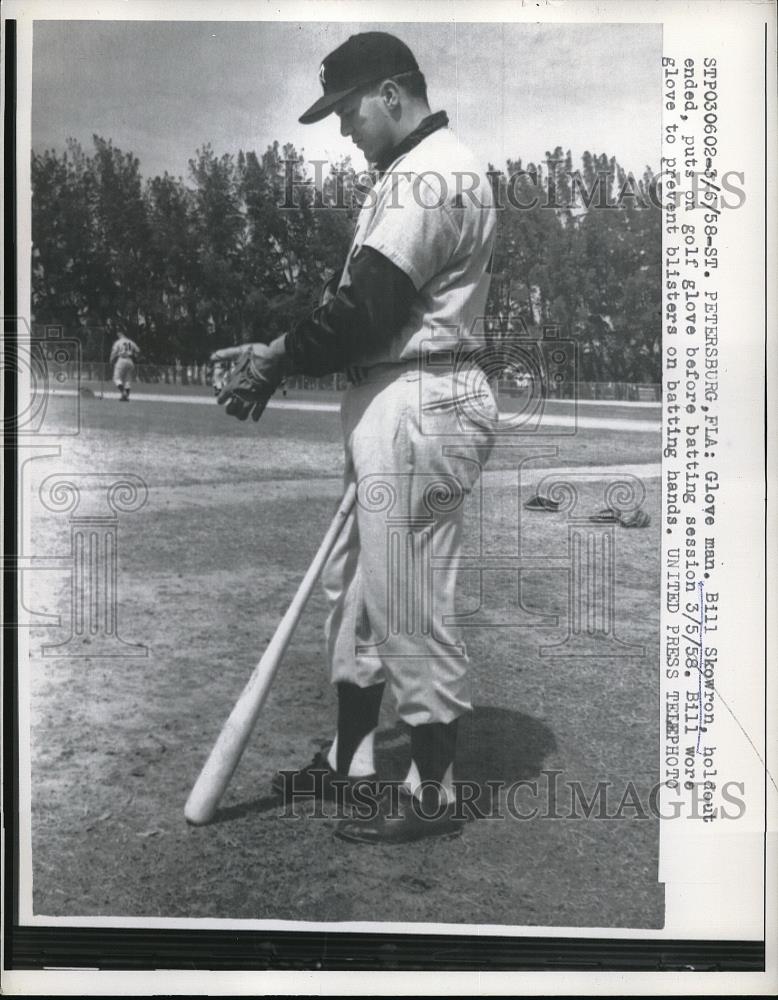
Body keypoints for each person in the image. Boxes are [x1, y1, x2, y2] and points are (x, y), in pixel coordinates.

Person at [216, 31, 497, 843]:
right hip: (392, 398)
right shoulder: (407, 171)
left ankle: (434, 793)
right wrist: (275, 348)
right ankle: (352, 764)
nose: (342, 129)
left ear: (390, 93)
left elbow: (368, 311)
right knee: (356, 596)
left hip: (423, 397)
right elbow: (356, 309)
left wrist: (275, 365)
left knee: (408, 599)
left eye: (346, 110)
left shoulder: (434, 169)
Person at [109, 329, 140, 401]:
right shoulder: (131, 342)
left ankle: (123, 393)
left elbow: (114, 352)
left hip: (121, 360)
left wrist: (111, 360)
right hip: (130, 360)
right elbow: (138, 350)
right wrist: (135, 356)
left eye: (118, 333)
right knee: (127, 380)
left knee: (116, 378)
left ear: (120, 333)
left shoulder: (118, 342)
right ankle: (126, 397)